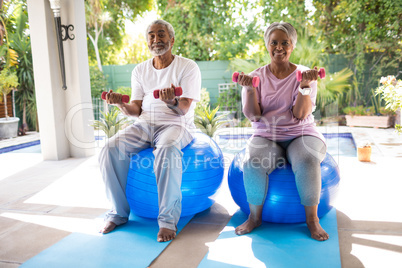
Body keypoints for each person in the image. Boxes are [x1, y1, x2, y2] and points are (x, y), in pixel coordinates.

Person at [98, 19, 201, 242]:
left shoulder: (188, 67)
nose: (156, 39)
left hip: (176, 124)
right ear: (147, 42)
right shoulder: (140, 70)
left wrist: (172, 101)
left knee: (167, 148)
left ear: (172, 40)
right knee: (109, 148)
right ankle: (118, 213)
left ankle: (166, 221)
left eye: (161, 34)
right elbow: (135, 109)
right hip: (144, 124)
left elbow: (183, 109)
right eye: (151, 35)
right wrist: (120, 104)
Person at [235, 22, 329, 241]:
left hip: (301, 133)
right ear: (267, 45)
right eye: (274, 42)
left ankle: (312, 220)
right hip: (266, 135)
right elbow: (253, 115)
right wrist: (249, 89)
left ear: (292, 45)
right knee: (252, 163)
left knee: (306, 159)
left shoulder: (306, 75)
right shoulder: (255, 76)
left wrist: (304, 86)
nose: (279, 47)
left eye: (284, 43)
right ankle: (254, 217)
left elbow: (300, 114)